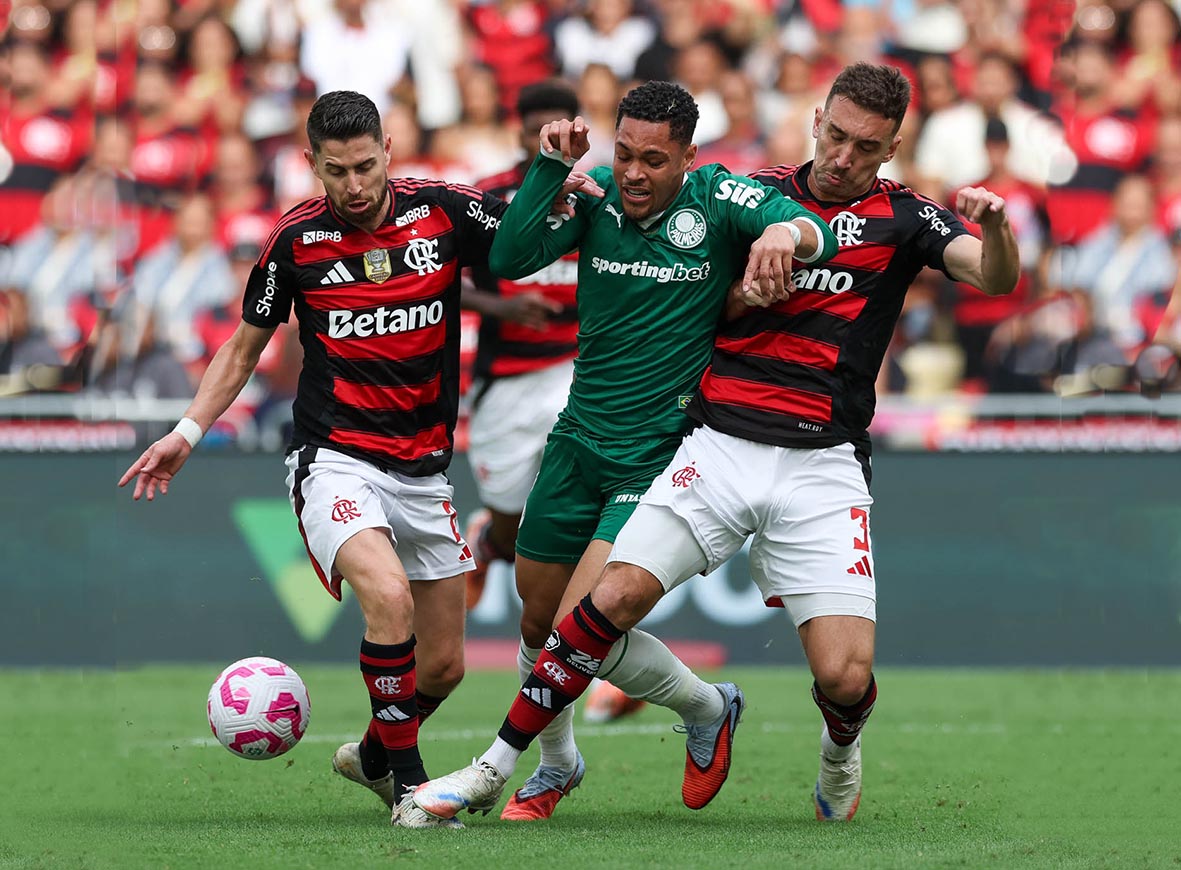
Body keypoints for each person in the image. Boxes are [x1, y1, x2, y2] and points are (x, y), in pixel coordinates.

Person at [410, 63, 1019, 824]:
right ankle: (518, 764)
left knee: (842, 676)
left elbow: (990, 277)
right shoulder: (732, 191)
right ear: (816, 122)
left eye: (865, 147)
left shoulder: (903, 217)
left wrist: (996, 230)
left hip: (821, 457)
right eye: (834, 135)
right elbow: (675, 282)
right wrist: (732, 281)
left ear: (891, 148)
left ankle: (838, 751)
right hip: (717, 441)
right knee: (583, 612)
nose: (842, 157)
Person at [118, 90, 592, 830]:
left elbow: (518, 244)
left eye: (366, 166)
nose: (355, 185)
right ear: (313, 164)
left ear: (387, 151)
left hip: (424, 468)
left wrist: (554, 185)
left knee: (444, 667)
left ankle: (373, 755)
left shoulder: (442, 210)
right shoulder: (293, 241)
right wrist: (186, 430)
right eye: (336, 171)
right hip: (335, 458)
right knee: (389, 599)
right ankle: (409, 788)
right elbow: (243, 348)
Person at [403, 79, 839, 825]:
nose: (634, 173)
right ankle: (602, 745)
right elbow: (508, 258)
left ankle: (518, 763)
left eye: (653, 160)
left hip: (657, 456)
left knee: (582, 626)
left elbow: (815, 232)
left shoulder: (718, 198)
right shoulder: (596, 193)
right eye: (625, 153)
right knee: (539, 625)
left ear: (687, 157)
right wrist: (550, 169)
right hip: (576, 442)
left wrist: (783, 235)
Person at [462, 80, 582, 610]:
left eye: (558, 134)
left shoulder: (601, 197)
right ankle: (490, 541)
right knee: (512, 530)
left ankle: (578, 638)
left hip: (576, 372)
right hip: (506, 378)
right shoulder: (485, 198)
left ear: (579, 136)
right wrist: (501, 306)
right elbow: (436, 280)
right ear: (519, 134)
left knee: (580, 514)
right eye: (538, 133)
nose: (546, 143)